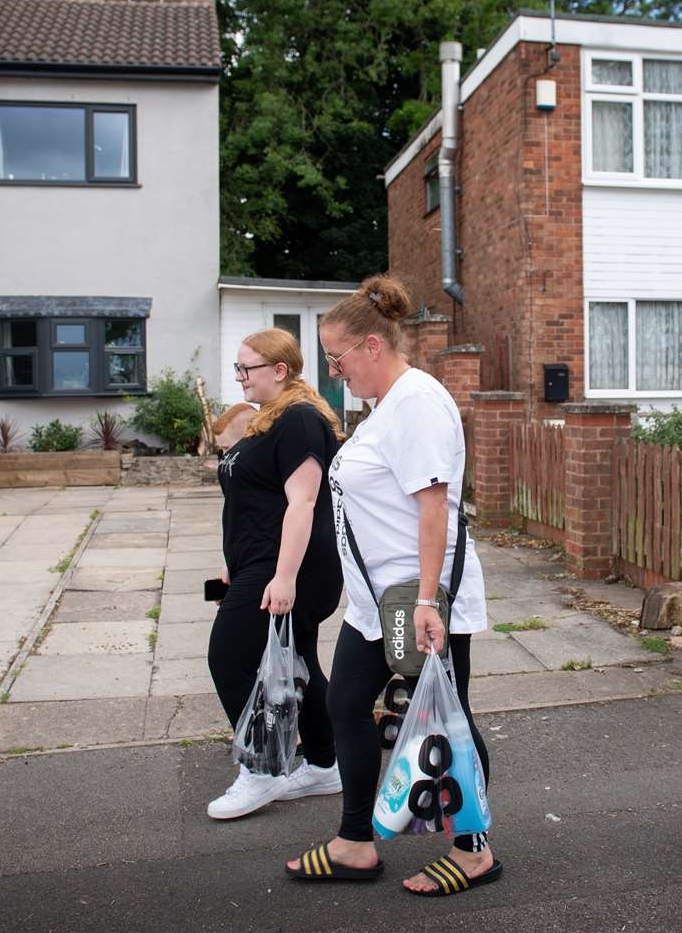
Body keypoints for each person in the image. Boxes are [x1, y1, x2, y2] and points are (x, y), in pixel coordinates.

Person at [284, 275, 503, 897]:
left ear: (372, 346)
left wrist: (431, 602)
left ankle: (473, 851)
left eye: (337, 357)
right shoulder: (387, 406)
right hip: (378, 602)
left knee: (448, 715)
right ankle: (356, 843)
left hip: (417, 599)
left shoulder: (418, 402)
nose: (334, 370)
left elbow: (434, 507)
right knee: (345, 703)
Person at [206, 328, 346, 820]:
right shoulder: (267, 422)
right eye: (238, 369)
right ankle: (327, 765)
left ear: (280, 370)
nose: (240, 376)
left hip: (290, 568)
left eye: (248, 368)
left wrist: (283, 577)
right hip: (258, 563)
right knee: (299, 659)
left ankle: (262, 770)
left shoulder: (301, 421)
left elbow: (303, 502)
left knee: (228, 657)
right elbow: (254, 502)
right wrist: (233, 562)